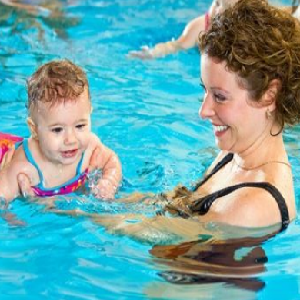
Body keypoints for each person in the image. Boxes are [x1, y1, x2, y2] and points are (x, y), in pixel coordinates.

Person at [0, 59, 122, 203]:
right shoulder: (24, 167)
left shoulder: (91, 148)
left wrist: (108, 182)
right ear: (34, 129)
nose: (70, 139)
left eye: (80, 126)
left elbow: (111, 161)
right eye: (57, 129)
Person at [128, 0, 299, 60]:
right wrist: (153, 53)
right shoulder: (202, 26)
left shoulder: (257, 28)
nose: (217, 12)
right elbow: (177, 46)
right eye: (216, 3)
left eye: (227, 9)